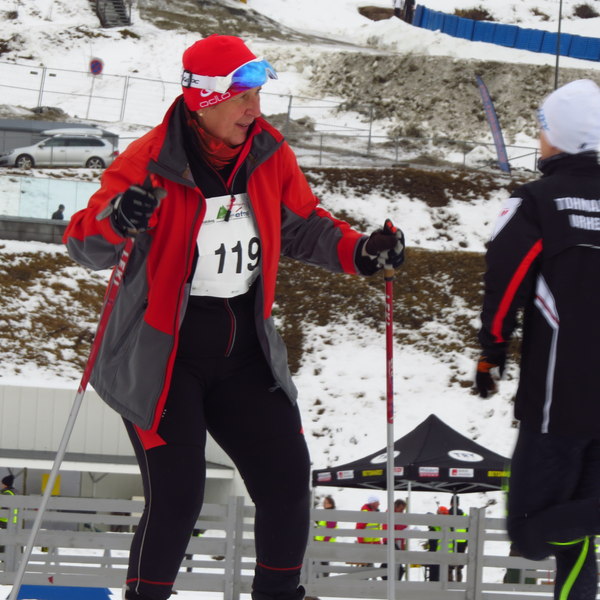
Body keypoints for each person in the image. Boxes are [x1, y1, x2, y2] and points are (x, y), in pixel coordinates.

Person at [63, 34, 405, 600]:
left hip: (244, 348)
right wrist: (118, 218)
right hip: (163, 356)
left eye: (257, 95)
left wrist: (361, 251)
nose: (255, 109)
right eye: (242, 97)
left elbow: (303, 224)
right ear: (204, 100)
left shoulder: (268, 152)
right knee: (178, 497)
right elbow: (84, 243)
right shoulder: (149, 162)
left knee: (287, 484)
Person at [475, 78, 600, 600]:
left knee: (530, 529)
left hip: (559, 401)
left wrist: (491, 352)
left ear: (561, 137)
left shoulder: (536, 202)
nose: (538, 139)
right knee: (575, 528)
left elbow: (505, 283)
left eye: (543, 129)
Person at [381, 498, 408, 580]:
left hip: (394, 542)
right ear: (396, 507)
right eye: (401, 509)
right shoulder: (390, 514)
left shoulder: (395, 515)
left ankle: (388, 581)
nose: (402, 512)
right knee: (397, 566)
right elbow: (391, 528)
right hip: (390, 542)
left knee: (391, 564)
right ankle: (392, 582)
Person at [314, 495, 337, 577]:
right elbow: (323, 525)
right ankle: (320, 577)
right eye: (324, 502)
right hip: (320, 541)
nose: (324, 504)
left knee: (323, 561)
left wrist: (325, 541)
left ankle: (324, 577)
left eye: (326, 503)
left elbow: (330, 530)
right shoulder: (326, 513)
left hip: (325, 542)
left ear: (331, 504)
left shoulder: (330, 514)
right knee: (318, 561)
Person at [448, 495, 467, 582]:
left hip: (449, 542)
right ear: (458, 504)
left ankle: (449, 582)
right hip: (462, 543)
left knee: (449, 565)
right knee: (459, 566)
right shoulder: (464, 515)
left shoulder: (447, 514)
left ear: (451, 503)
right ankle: (459, 583)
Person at [1, 474, 18, 553]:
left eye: (2, 483)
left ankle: (3, 555)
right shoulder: (14, 492)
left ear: (5, 484)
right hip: (12, 520)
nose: (1, 485)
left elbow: (4, 507)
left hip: (5, 520)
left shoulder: (7, 493)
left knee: (4, 539)